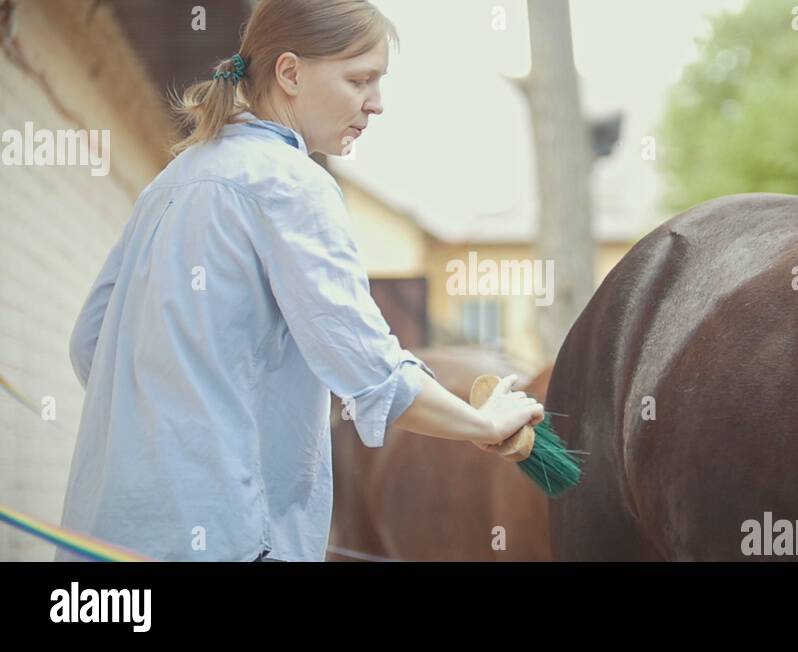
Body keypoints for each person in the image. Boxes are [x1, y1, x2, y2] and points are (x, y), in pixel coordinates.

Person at [57, 0, 543, 562]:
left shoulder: (170, 182)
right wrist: (483, 423)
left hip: (99, 546)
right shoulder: (292, 185)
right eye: (360, 79)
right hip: (230, 540)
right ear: (290, 73)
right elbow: (370, 372)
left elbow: (89, 343)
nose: (377, 103)